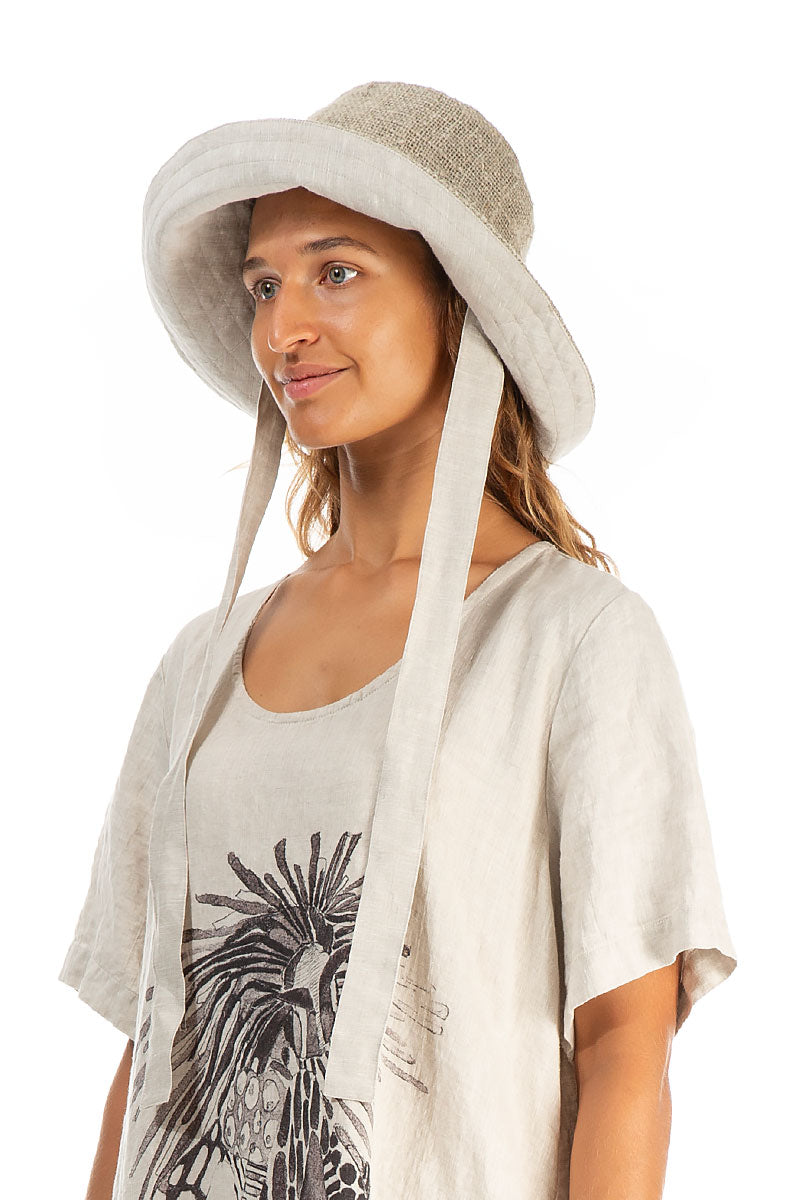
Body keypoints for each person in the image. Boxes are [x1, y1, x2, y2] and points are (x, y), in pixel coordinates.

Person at [59, 81, 738, 1200]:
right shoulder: (199, 663)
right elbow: (149, 1047)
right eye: (263, 285)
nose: (283, 329)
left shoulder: (573, 641)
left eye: (336, 272)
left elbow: (626, 1047)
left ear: (457, 304)